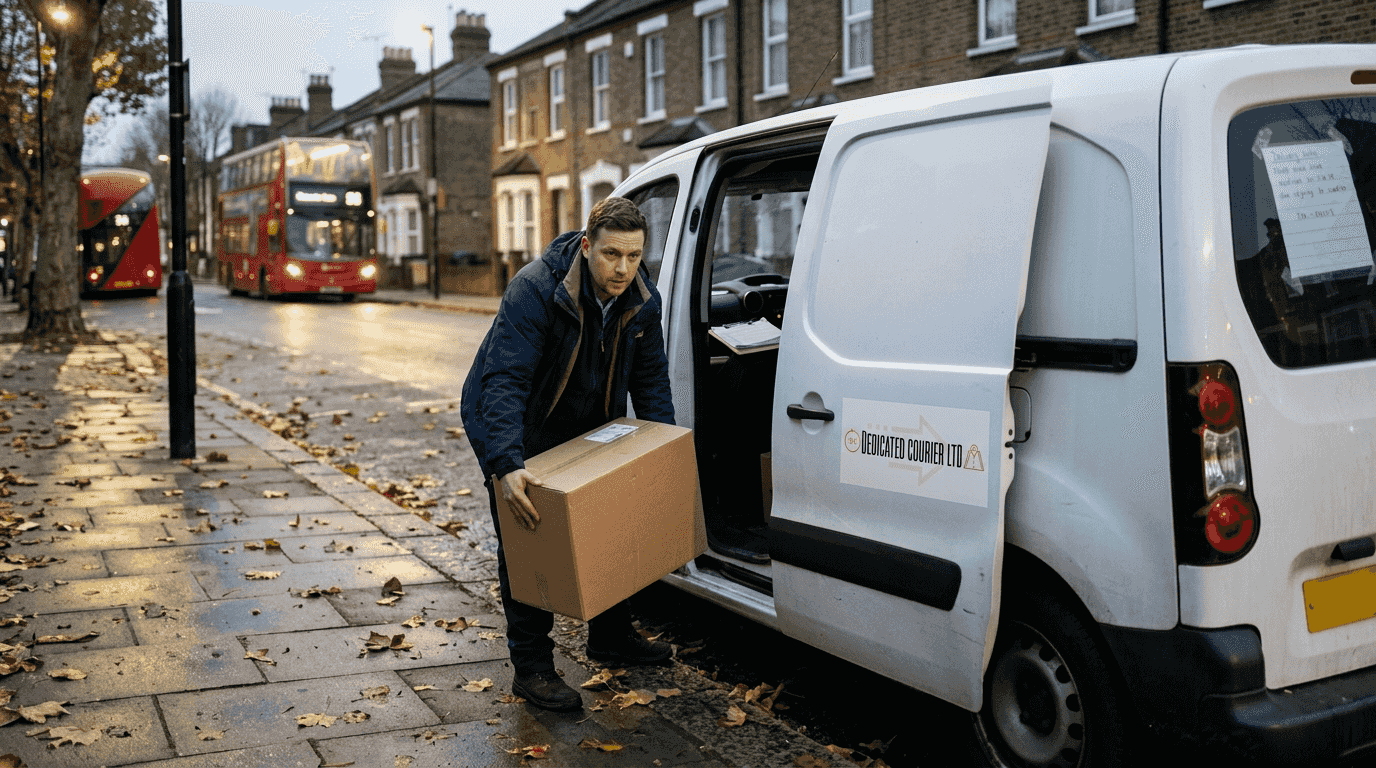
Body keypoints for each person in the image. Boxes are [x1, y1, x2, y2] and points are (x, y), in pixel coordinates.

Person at [460, 197, 677, 712]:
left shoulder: (644, 299)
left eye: (633, 255)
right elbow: (504, 381)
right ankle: (532, 667)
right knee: (527, 536)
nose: (622, 268)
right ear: (586, 247)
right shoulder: (535, 289)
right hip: (515, 423)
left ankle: (611, 635)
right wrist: (507, 465)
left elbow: (651, 382)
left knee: (613, 520)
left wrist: (658, 455)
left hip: (587, 424)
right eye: (610, 255)